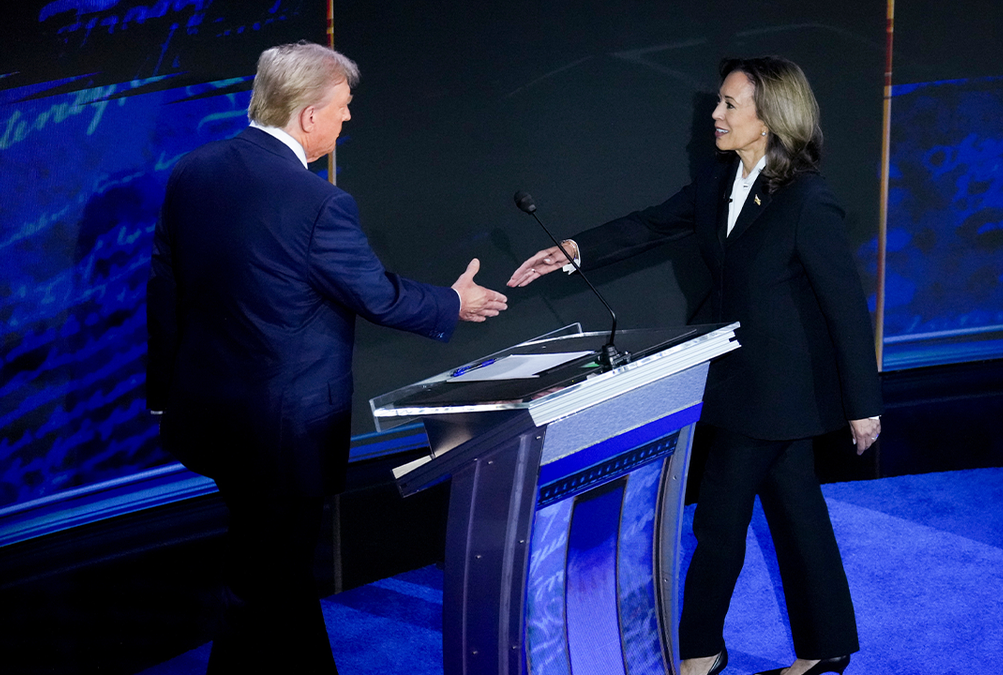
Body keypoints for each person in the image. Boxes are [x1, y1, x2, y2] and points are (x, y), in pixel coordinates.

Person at [507, 56, 882, 675]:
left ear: (769, 118)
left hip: (777, 392)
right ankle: (826, 647)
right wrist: (574, 249)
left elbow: (845, 306)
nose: (715, 113)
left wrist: (862, 404)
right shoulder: (718, 181)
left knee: (718, 523)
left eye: (730, 104)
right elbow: (652, 224)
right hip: (735, 378)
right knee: (796, 515)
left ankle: (698, 654)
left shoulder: (808, 200)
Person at [146, 42, 508, 674]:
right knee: (266, 578)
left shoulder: (193, 171)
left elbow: (165, 289)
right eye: (342, 107)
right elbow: (375, 294)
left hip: (212, 418)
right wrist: (452, 302)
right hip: (285, 431)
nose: (347, 120)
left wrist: (162, 395)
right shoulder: (317, 202)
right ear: (309, 115)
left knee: (270, 569)